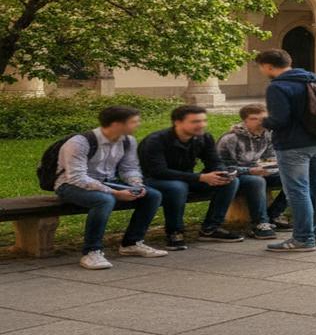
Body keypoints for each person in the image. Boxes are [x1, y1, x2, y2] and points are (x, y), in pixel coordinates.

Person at [53, 105, 167, 270]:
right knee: (104, 200)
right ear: (116, 125)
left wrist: (136, 185)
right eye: (133, 122)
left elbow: (129, 168)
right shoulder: (79, 142)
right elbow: (77, 177)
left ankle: (131, 244)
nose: (138, 125)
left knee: (152, 195)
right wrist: (115, 193)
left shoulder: (128, 141)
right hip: (70, 185)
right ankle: (92, 252)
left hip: (108, 181)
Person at [257, 48, 316, 252]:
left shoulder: (278, 87)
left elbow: (280, 120)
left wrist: (263, 121)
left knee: (298, 191)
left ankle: (303, 238)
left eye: (261, 67)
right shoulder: (313, 80)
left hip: (294, 145)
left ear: (268, 66)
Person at [138, 105, 245, 251]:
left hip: (186, 178)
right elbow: (158, 171)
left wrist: (221, 173)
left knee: (229, 182)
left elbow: (214, 161)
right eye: (195, 121)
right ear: (178, 122)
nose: (201, 125)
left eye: (203, 120)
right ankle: (174, 232)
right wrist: (200, 177)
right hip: (154, 180)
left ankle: (210, 229)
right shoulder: (156, 140)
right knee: (177, 187)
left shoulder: (204, 137)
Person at [217, 103, 290, 236]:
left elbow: (270, 157)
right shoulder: (230, 138)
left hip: (257, 170)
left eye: (264, 118)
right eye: (255, 119)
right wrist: (249, 170)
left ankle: (273, 215)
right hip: (236, 174)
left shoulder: (267, 134)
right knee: (256, 181)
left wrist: (270, 167)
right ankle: (260, 223)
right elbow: (221, 166)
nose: (261, 122)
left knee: (294, 177)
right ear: (245, 121)